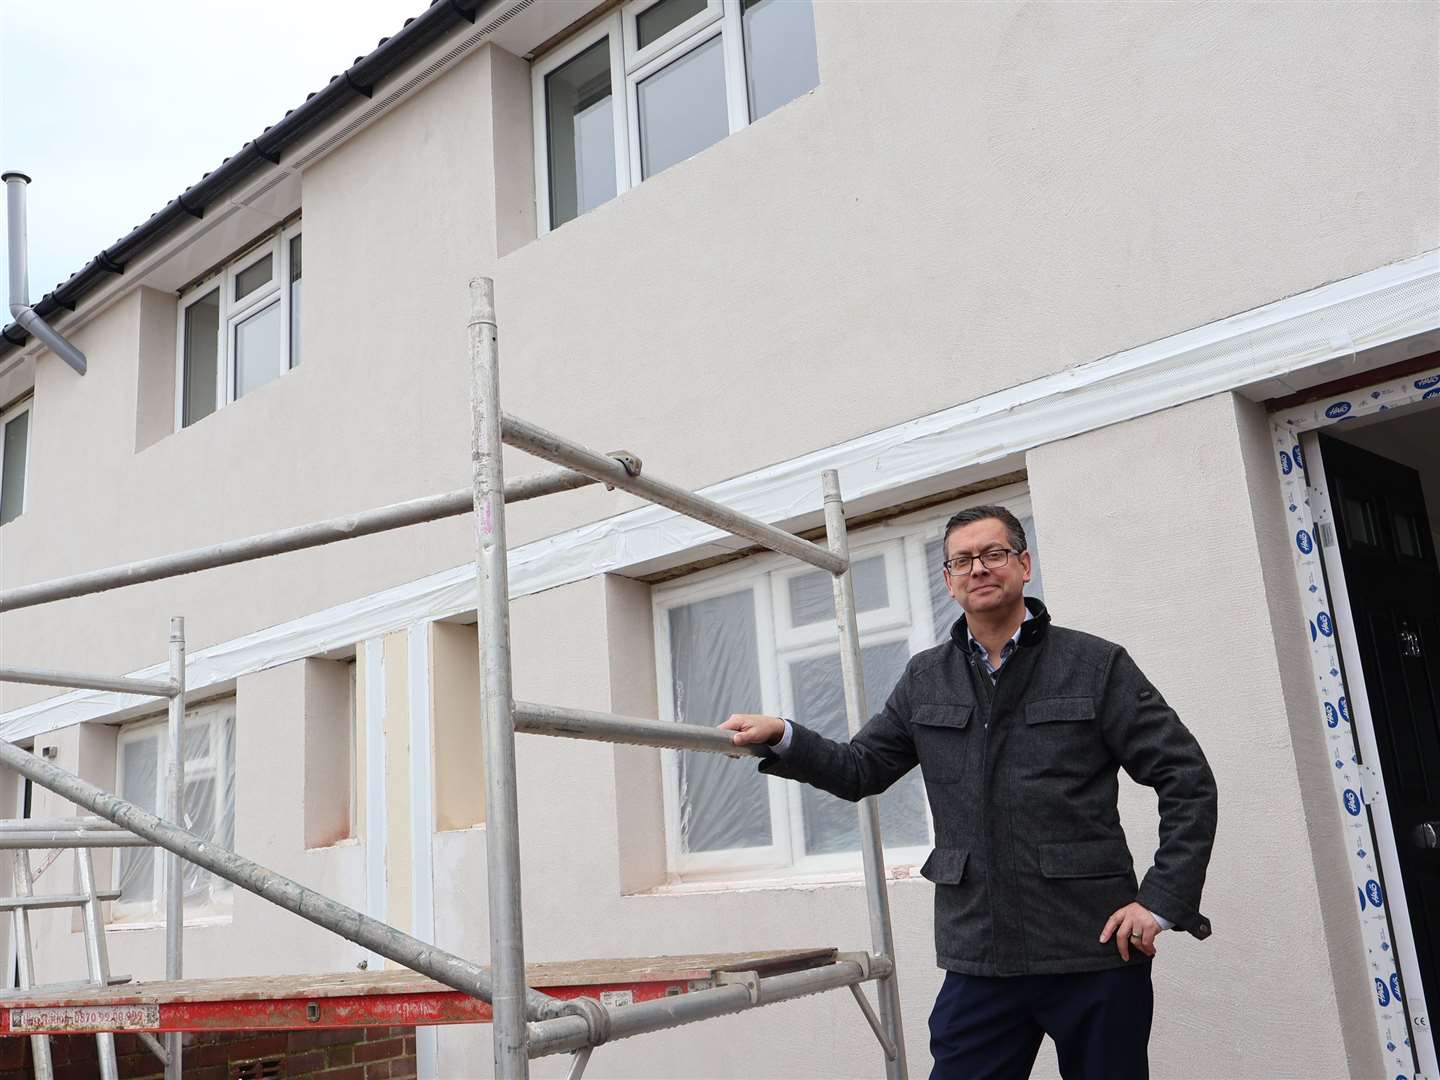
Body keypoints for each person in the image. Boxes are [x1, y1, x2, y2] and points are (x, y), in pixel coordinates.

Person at [721, 505, 1217, 1080]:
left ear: (1024, 565)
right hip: (981, 953)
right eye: (963, 560)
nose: (978, 568)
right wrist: (784, 735)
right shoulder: (925, 678)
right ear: (949, 580)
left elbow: (1187, 778)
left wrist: (1160, 901)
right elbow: (860, 768)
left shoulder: (1095, 665)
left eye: (993, 554)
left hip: (1094, 949)